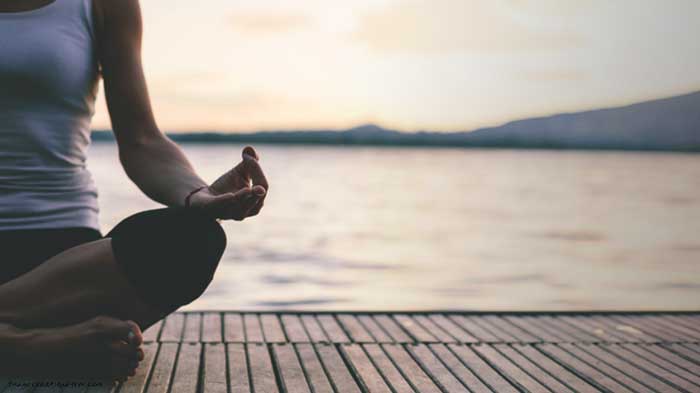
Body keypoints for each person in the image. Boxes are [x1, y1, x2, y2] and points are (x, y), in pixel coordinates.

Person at [0, 0, 269, 380]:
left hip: (61, 263)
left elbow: (141, 140)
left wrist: (199, 197)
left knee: (194, 239)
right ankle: (31, 346)